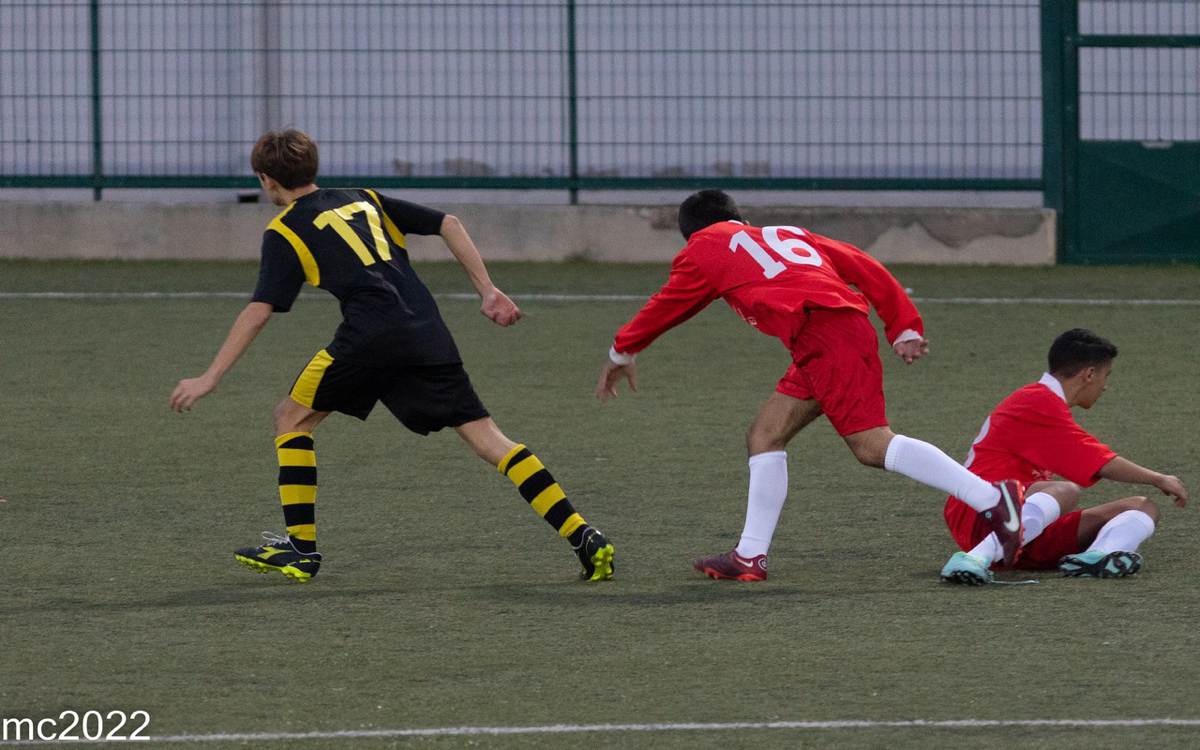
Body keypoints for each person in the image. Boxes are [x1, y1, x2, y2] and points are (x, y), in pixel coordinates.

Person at [170, 129, 614, 583]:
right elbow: (449, 223)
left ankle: (301, 549)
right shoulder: (363, 198)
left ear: (266, 179)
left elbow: (259, 310)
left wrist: (211, 377)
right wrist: (488, 290)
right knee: (490, 440)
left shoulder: (284, 230)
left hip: (368, 338)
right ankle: (582, 535)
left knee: (290, 418)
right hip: (426, 332)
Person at [595, 188, 1023, 581]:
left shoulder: (703, 247)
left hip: (825, 334)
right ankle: (750, 555)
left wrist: (621, 351)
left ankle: (990, 498)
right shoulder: (786, 233)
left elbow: (669, 305)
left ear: (690, 236)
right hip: (825, 332)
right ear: (742, 220)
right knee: (765, 434)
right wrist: (903, 324)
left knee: (871, 445)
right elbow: (863, 264)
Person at [939, 328, 1187, 584]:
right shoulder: (1036, 401)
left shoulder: (1044, 402)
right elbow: (1100, 461)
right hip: (981, 513)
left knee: (1143, 507)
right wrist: (1159, 478)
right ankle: (976, 557)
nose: (1105, 386)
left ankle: (1099, 556)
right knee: (1065, 490)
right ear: (1089, 374)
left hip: (1022, 525)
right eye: (1105, 376)